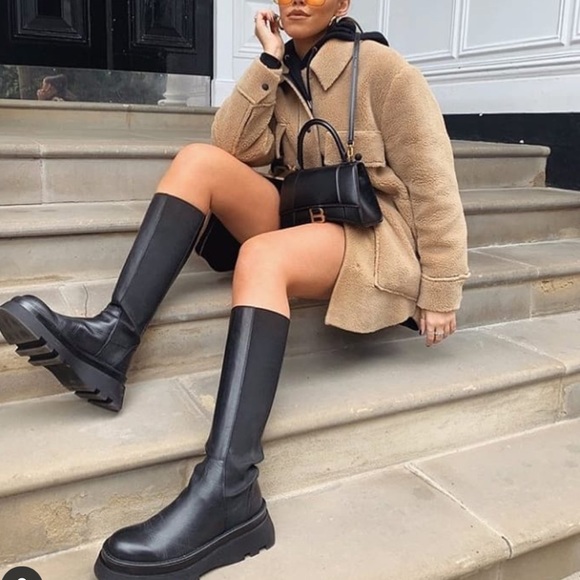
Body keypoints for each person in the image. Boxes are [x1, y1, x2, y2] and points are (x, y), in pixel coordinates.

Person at [0, 0, 469, 578]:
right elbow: (232, 145)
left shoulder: (385, 72)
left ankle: (230, 488)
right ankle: (112, 340)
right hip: (301, 215)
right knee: (199, 160)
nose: (296, 0)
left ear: (344, 3)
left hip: (371, 237)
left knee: (261, 257)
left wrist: (441, 290)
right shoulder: (284, 70)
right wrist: (268, 63)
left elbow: (435, 187)